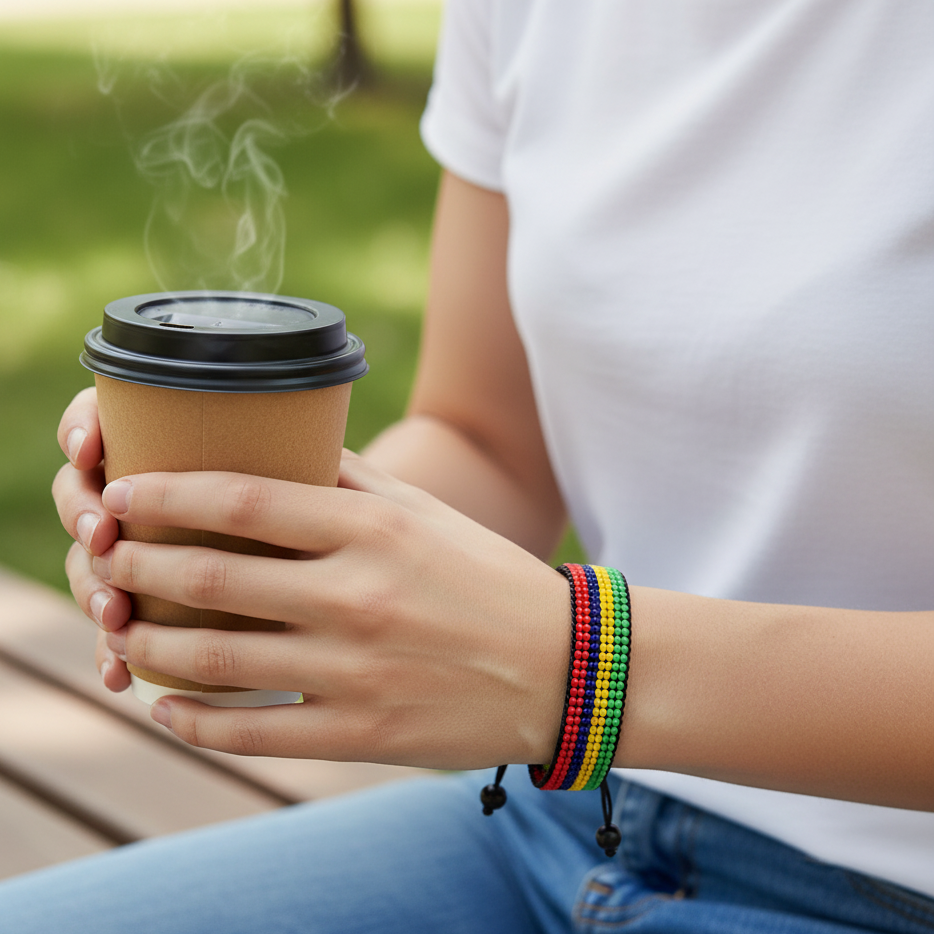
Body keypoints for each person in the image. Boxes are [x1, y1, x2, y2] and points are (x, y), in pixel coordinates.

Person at [3, 1, 933, 930]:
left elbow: (563, 661)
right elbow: (488, 440)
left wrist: (575, 666)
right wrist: (264, 548)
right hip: (574, 820)